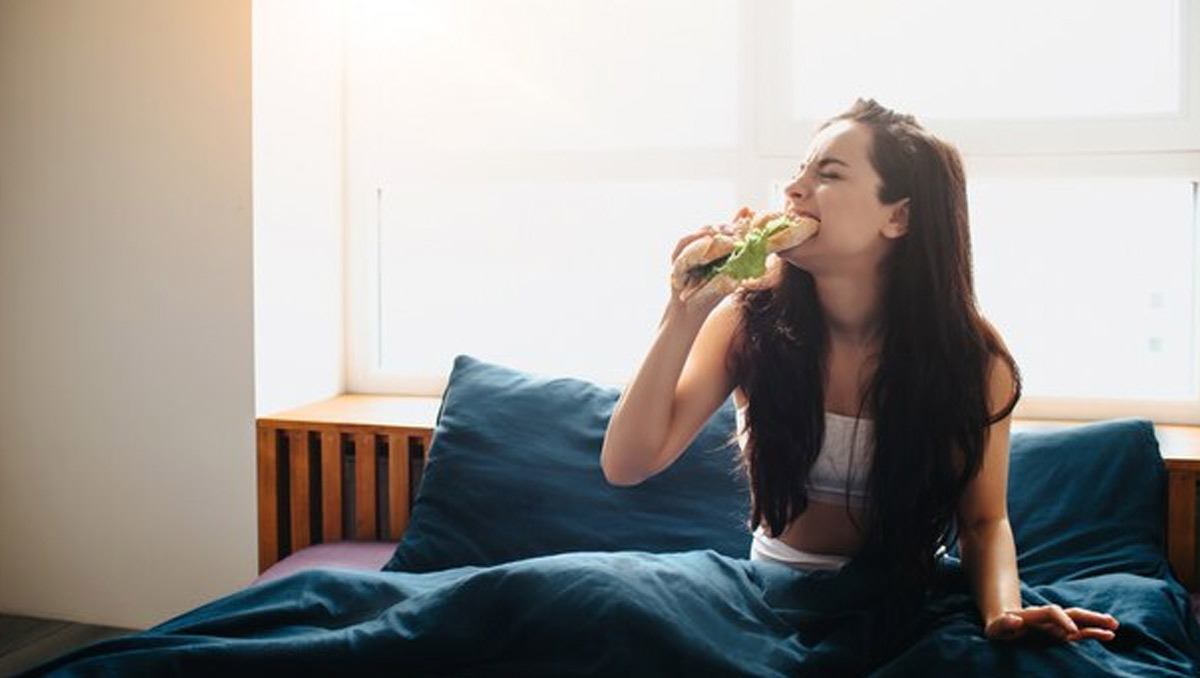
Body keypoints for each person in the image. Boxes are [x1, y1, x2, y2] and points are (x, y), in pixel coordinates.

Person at [599, 98, 1120, 645]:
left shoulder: (973, 360)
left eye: (828, 173)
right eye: (799, 171)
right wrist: (683, 310)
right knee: (595, 600)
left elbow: (984, 521)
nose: (794, 189)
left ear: (898, 216)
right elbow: (625, 464)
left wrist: (1002, 614)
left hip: (908, 607)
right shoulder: (745, 320)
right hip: (770, 602)